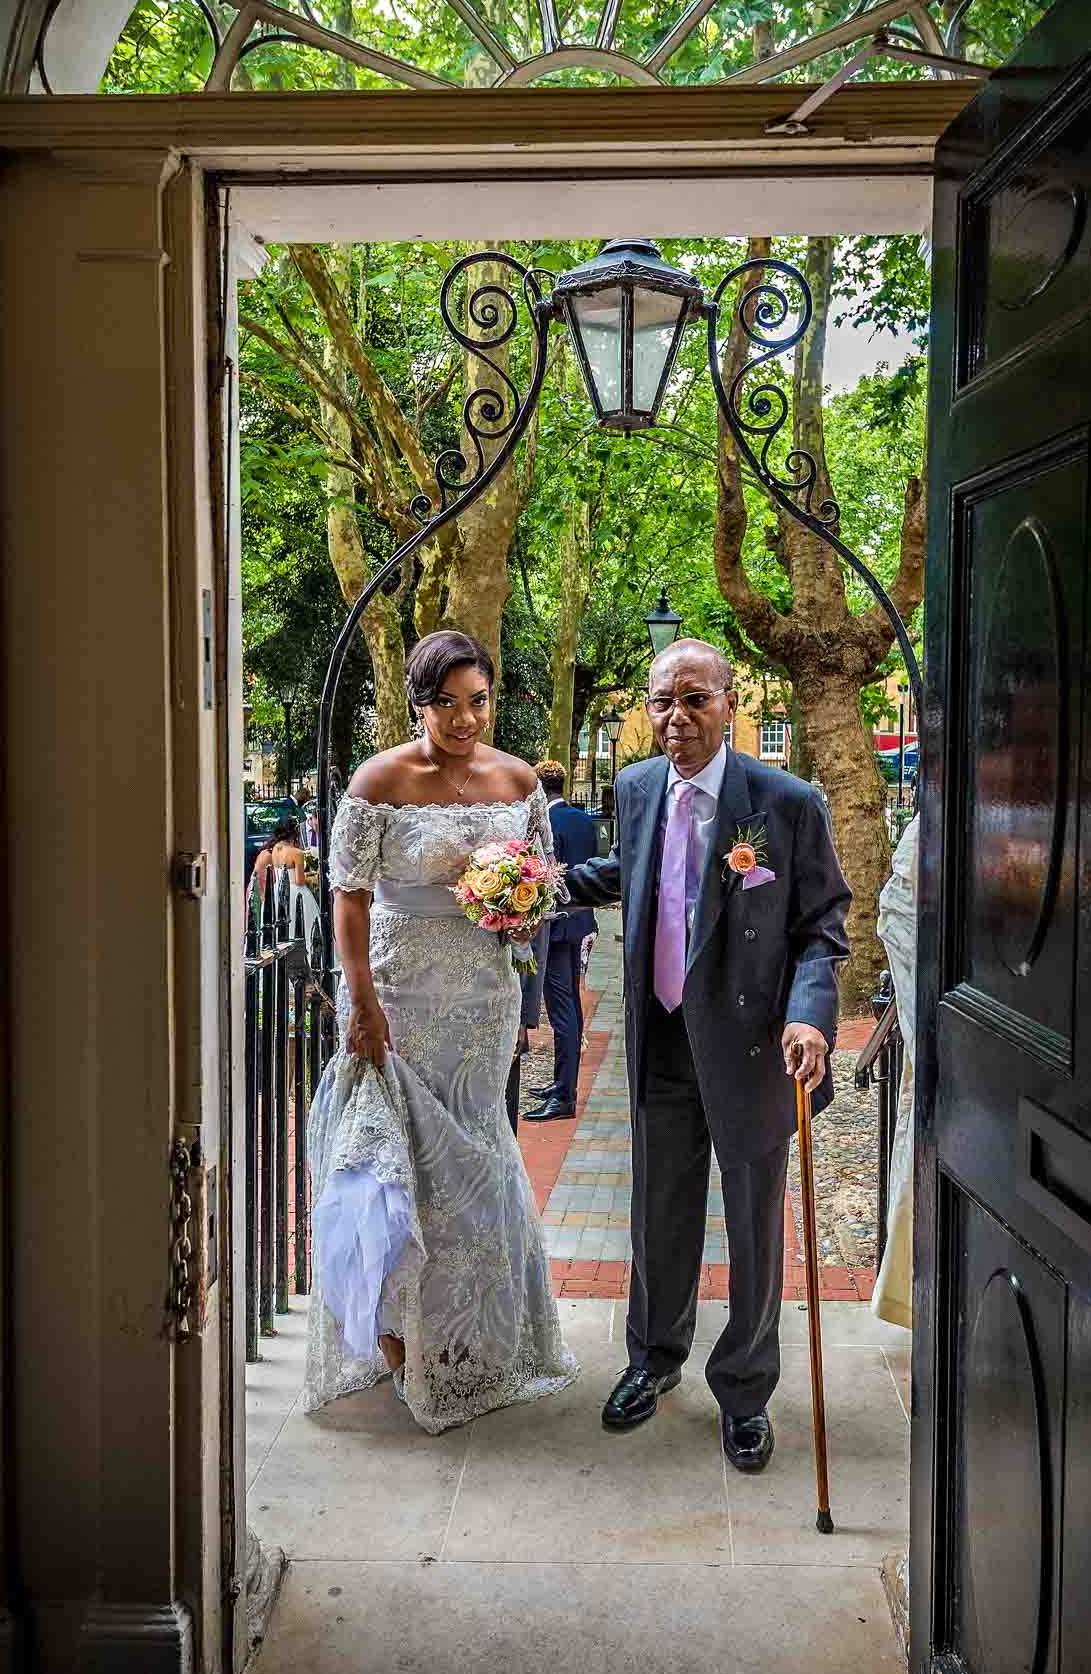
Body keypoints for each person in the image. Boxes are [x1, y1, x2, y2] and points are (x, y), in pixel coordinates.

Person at [561, 639, 850, 1474]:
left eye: (695, 700)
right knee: (658, 1214)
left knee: (755, 1228)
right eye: (661, 701)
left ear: (729, 702)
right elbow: (643, 872)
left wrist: (811, 1019)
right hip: (660, 1036)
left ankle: (747, 1390)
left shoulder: (785, 802)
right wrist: (544, 885)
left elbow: (822, 926)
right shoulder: (638, 786)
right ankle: (653, 1359)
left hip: (753, 1046)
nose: (676, 718)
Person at [303, 629, 577, 1433]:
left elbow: (543, 887)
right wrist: (361, 1001)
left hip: (482, 996)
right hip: (396, 993)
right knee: (402, 1170)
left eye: (478, 701)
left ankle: (477, 1342)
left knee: (480, 1166)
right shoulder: (380, 778)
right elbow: (349, 897)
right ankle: (398, 1341)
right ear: (418, 702)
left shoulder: (518, 780)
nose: (464, 719)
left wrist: (520, 913)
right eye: (446, 703)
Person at [523, 759, 598, 1123]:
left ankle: (564, 1094)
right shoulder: (584, 819)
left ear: (538, 788)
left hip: (555, 927)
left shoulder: (545, 822)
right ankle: (561, 1084)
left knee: (561, 1012)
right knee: (572, 1006)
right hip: (581, 921)